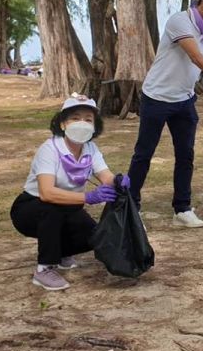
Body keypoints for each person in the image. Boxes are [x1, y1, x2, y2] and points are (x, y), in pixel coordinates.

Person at [128, 0, 203, 227]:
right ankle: (130, 205)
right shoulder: (180, 21)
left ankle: (182, 209)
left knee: (185, 155)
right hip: (157, 97)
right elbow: (195, 56)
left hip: (184, 100)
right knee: (143, 154)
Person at [10, 95, 125, 291]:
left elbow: (105, 175)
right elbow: (46, 193)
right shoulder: (49, 150)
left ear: (95, 126)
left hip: (68, 206)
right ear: (63, 124)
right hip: (32, 207)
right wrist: (89, 197)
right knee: (52, 210)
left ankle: (62, 252)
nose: (82, 123)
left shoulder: (90, 148)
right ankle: (44, 268)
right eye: (75, 118)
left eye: (88, 119)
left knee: (93, 235)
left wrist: (119, 182)